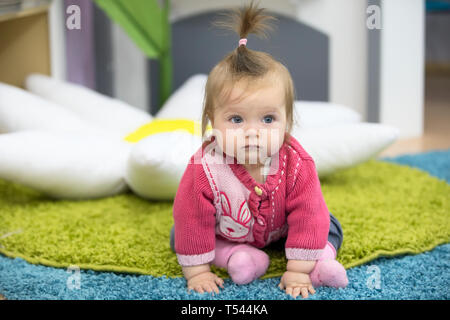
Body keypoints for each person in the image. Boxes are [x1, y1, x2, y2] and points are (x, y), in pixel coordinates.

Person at [170, 1, 348, 299]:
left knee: (326, 223)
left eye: (268, 119)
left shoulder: (296, 163)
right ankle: (236, 257)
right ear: (212, 122)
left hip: (284, 230)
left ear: (287, 122)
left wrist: (298, 271)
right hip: (227, 232)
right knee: (183, 231)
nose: (253, 132)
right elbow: (191, 217)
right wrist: (198, 272)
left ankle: (319, 262)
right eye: (236, 119)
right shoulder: (205, 168)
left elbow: (307, 214)